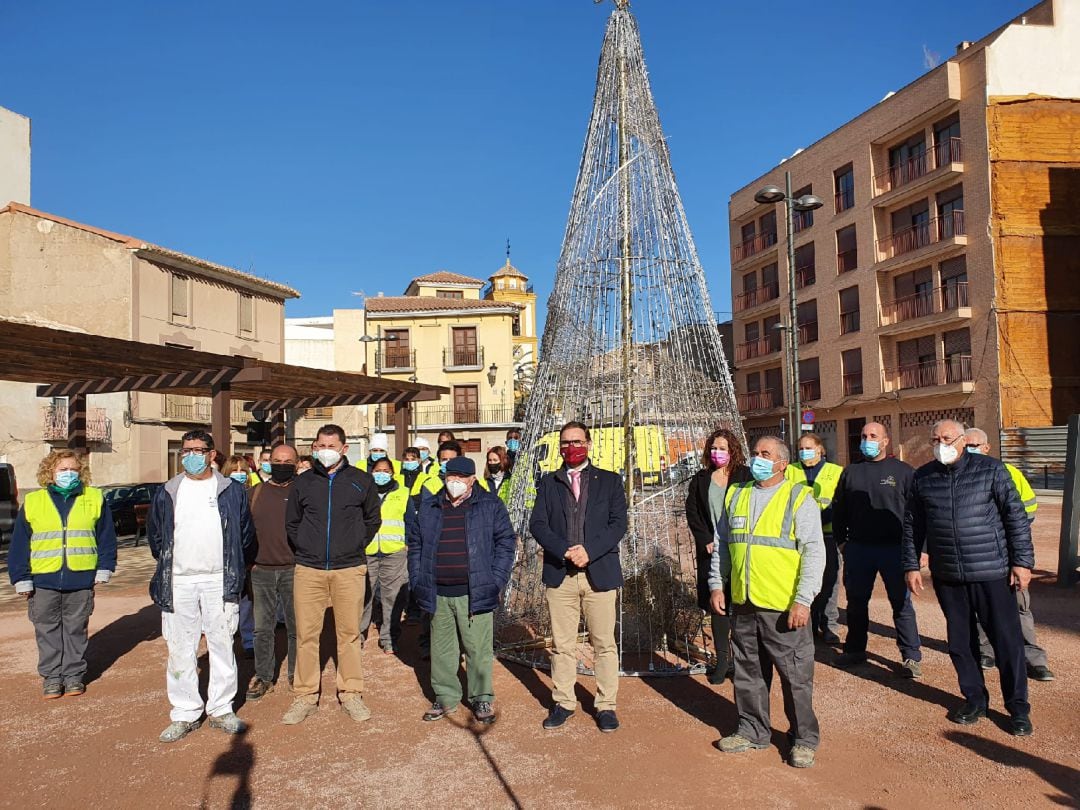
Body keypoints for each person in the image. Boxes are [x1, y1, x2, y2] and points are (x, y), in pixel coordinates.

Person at [903, 419, 1035, 736]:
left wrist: (1022, 562)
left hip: (991, 571)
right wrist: (911, 565)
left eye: (946, 438)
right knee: (961, 643)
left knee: (1007, 641)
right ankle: (975, 699)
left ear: (963, 440)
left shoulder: (991, 471)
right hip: (948, 574)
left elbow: (1015, 516)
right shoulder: (923, 478)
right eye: (935, 439)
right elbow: (912, 525)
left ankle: (1017, 708)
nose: (940, 444)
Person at [710, 436, 824, 768]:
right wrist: (717, 585)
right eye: (755, 453)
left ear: (782, 464)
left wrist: (803, 600)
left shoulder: (798, 497)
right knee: (748, 673)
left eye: (765, 454)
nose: (757, 459)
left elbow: (814, 552)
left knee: (795, 677)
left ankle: (803, 738)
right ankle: (752, 731)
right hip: (744, 603)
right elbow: (723, 545)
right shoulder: (737, 494)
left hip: (783, 607)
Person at [148, 429, 255, 743]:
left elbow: (246, 535)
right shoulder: (168, 491)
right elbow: (157, 537)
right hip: (179, 582)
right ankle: (185, 712)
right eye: (186, 450)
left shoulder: (230, 491)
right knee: (180, 649)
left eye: (198, 450)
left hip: (219, 581)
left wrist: (235, 567)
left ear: (212, 454)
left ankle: (221, 709)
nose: (190, 456)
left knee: (222, 645)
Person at [529, 421, 628, 733]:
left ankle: (606, 705)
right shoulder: (548, 483)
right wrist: (565, 551)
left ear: (589, 443)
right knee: (562, 644)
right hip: (561, 575)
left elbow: (618, 524)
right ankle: (563, 701)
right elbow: (538, 524)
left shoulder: (610, 482)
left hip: (599, 573)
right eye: (565, 443)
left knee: (604, 644)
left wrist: (590, 551)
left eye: (577, 441)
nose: (571, 448)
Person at [283, 424, 382, 725]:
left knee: (349, 634)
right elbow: (292, 523)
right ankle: (305, 696)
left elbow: (372, 520)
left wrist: (351, 545)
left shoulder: (361, 481)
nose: (325, 450)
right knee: (306, 635)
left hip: (349, 568)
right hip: (309, 569)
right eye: (320, 445)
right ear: (314, 448)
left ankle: (351, 693)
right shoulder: (303, 483)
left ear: (343, 448)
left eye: (331, 445)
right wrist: (306, 547)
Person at [408, 456, 515, 724]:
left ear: (472, 480)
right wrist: (417, 577)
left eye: (461, 478)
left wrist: (496, 579)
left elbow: (505, 542)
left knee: (477, 649)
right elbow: (417, 544)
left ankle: (482, 699)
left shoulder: (489, 504)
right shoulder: (431, 505)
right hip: (438, 590)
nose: (454, 482)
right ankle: (445, 696)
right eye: (450, 476)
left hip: (475, 590)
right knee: (442, 649)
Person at [8, 450, 117, 699]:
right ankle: (52, 678)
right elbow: (20, 543)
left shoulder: (94, 498)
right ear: (50, 472)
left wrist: (104, 567)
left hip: (81, 578)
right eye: (62, 469)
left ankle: (74, 675)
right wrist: (21, 578)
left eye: (73, 469)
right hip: (42, 579)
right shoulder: (34, 501)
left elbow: (106, 537)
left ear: (81, 472)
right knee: (46, 630)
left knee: (76, 629)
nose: (68, 473)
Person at [832, 422, 923, 678]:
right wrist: (842, 542)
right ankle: (855, 650)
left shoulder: (904, 472)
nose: (867, 439)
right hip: (859, 549)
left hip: (894, 550)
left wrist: (918, 550)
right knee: (856, 602)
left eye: (873, 436)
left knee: (901, 604)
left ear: (885, 441)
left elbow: (918, 514)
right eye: (863, 436)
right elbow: (839, 511)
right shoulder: (850, 472)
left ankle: (911, 656)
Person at [963, 428, 1053, 681]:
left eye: (974, 444)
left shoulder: (1008, 472)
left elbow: (1029, 508)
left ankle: (1033, 658)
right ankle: (986, 651)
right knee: (979, 606)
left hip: (1006, 552)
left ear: (987, 447)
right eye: (966, 444)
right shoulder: (955, 473)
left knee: (1020, 607)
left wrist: (1004, 534)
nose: (969, 448)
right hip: (977, 556)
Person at [684, 427, 751, 684]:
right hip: (711, 551)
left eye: (722, 448)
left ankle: (742, 659)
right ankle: (722, 661)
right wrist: (706, 540)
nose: (717, 452)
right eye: (713, 448)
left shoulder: (744, 476)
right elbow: (693, 512)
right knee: (718, 605)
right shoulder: (701, 479)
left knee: (741, 605)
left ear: (732, 450)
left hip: (740, 550)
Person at [245, 443, 300, 701]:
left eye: (287, 461)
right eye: (276, 460)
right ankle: (264, 676)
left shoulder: (303, 492)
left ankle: (296, 674)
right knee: (262, 628)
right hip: (261, 570)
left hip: (294, 569)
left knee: (296, 627)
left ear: (297, 464)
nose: (281, 465)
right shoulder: (254, 493)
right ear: (266, 462)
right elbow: (244, 532)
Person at [786, 434, 844, 645]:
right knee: (802, 578)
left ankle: (829, 625)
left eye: (808, 448)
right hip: (799, 535)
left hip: (827, 533)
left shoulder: (835, 472)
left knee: (829, 582)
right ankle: (808, 624)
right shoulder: (790, 470)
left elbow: (841, 501)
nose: (804, 452)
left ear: (820, 449)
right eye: (801, 448)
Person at [361, 457, 412, 655]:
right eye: (377, 470)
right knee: (364, 595)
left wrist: (407, 543)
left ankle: (389, 637)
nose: (381, 473)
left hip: (394, 552)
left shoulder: (403, 492)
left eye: (385, 470)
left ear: (392, 472)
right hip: (368, 551)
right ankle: (358, 635)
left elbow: (410, 521)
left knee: (392, 598)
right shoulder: (364, 492)